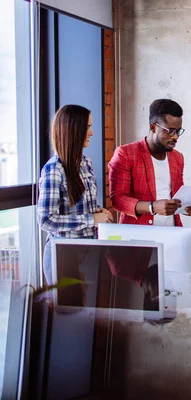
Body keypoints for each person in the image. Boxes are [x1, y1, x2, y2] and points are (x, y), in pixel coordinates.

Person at [38, 104, 113, 284]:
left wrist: (98, 212)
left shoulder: (85, 163)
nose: (92, 133)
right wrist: (91, 219)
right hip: (64, 254)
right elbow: (46, 220)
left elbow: (81, 205)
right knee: (69, 311)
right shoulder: (53, 169)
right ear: (73, 130)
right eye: (88, 127)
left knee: (92, 310)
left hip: (89, 250)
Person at [108, 99, 191, 227]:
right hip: (138, 236)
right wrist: (151, 207)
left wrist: (190, 208)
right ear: (153, 127)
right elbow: (118, 200)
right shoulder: (125, 154)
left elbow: (177, 198)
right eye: (170, 131)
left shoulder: (177, 158)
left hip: (172, 234)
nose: (175, 137)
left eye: (178, 131)